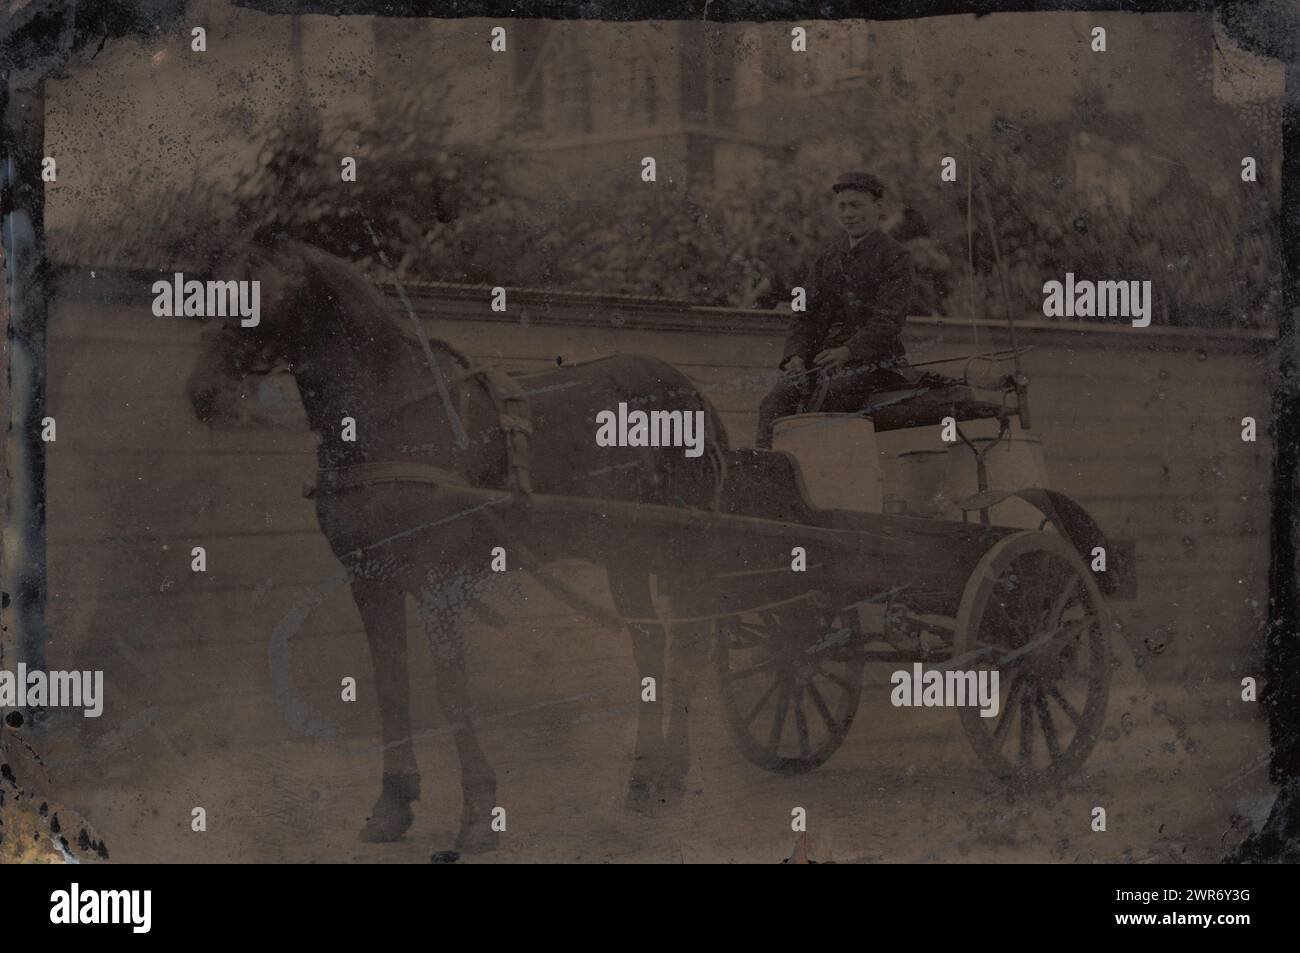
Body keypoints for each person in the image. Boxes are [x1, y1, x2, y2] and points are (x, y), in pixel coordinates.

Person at [755, 171, 916, 449]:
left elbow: (887, 322)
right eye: (842, 206)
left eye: (856, 205)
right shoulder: (827, 257)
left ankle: (821, 476)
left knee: (830, 398)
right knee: (774, 402)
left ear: (878, 208)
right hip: (819, 361)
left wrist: (848, 351)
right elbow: (803, 313)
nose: (848, 214)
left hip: (874, 363)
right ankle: (764, 479)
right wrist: (794, 357)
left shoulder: (895, 257)